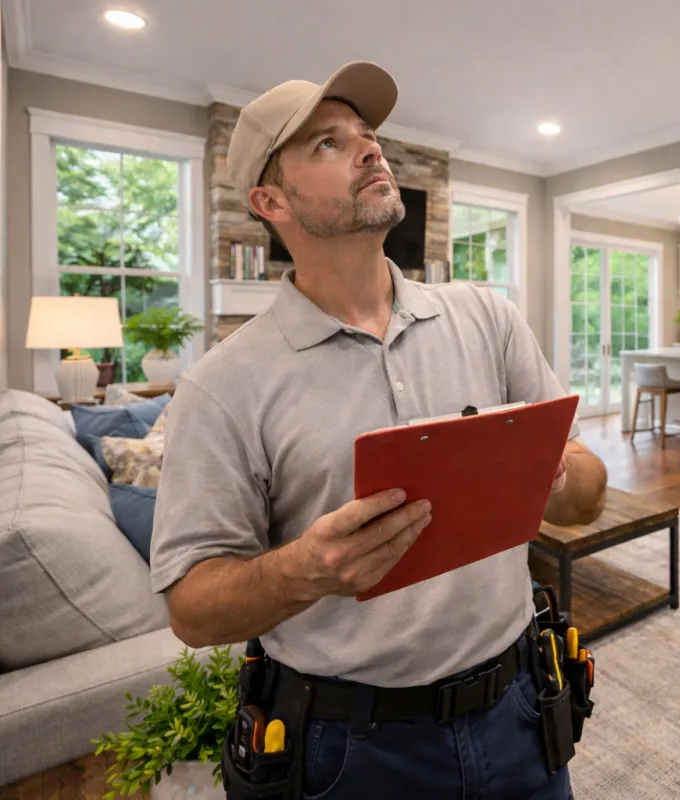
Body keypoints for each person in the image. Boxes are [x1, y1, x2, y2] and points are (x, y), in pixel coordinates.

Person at [149, 60, 608, 800]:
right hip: (348, 749)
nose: (372, 150)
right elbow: (191, 610)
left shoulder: (487, 318)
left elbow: (585, 501)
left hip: (524, 708)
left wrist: (555, 474)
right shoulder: (223, 385)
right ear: (271, 200)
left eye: (368, 135)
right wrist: (304, 569)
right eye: (329, 144)